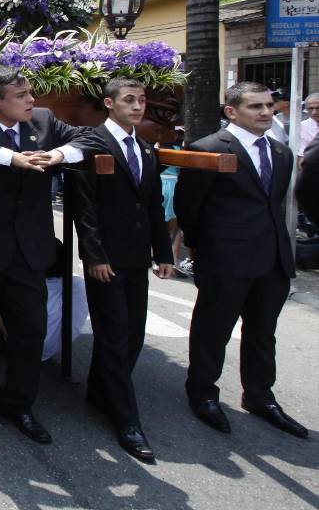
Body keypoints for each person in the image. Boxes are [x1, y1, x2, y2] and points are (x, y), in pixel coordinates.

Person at [0, 66, 102, 444]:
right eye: (22, 95)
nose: (32, 100)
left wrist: (58, 155)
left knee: (30, 329)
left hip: (28, 250)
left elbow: (92, 138)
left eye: (31, 93)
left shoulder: (44, 122)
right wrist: (12, 158)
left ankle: (20, 403)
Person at [175, 82, 308, 439]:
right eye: (255, 107)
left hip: (272, 259)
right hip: (225, 260)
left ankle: (260, 396)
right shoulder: (207, 150)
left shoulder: (280, 153)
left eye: (268, 106)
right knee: (212, 330)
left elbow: (274, 204)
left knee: (263, 333)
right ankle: (202, 393)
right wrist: (205, 250)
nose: (266, 112)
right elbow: (189, 209)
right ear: (231, 112)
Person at [72, 77, 175, 463]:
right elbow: (85, 208)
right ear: (110, 104)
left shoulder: (146, 149)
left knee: (132, 335)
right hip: (107, 260)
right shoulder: (94, 144)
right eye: (129, 100)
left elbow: (152, 207)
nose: (137, 107)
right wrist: (94, 256)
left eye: (142, 100)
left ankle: (101, 392)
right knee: (114, 335)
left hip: (136, 257)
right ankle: (126, 419)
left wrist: (163, 252)